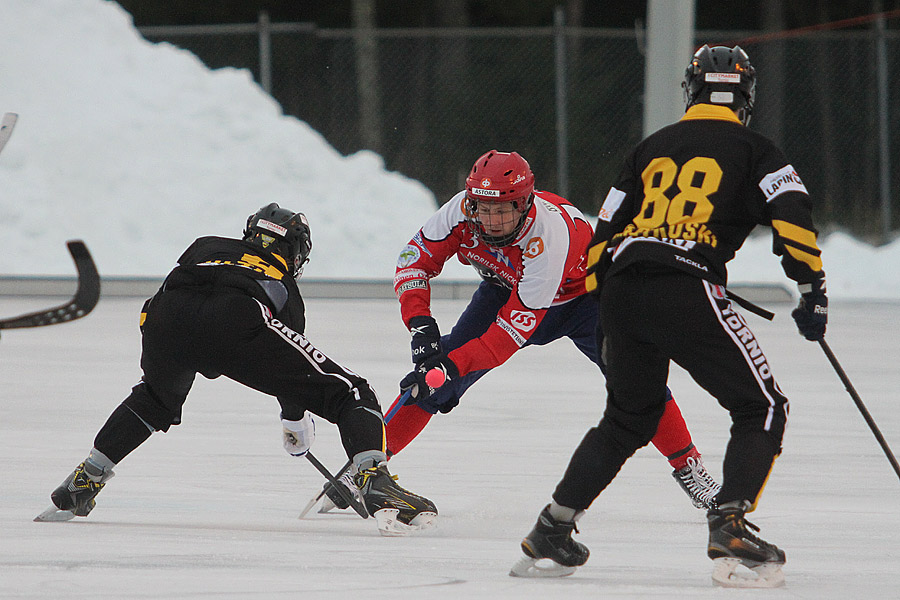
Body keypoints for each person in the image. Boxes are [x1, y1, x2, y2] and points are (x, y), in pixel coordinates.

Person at [513, 45, 828, 587]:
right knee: (763, 406)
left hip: (620, 288)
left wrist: (603, 300)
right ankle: (729, 521)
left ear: (693, 90)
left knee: (628, 419)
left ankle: (552, 527)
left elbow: (603, 230)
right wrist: (811, 289)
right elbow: (793, 217)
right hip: (685, 285)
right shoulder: (759, 149)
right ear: (745, 95)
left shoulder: (650, 147)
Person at [322, 149, 720, 514]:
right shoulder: (458, 212)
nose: (491, 222)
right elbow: (412, 263)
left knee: (637, 382)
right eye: (483, 210)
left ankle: (689, 466)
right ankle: (368, 465)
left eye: (503, 212)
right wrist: (421, 326)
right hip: (506, 286)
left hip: (587, 299)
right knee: (429, 382)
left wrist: (452, 363)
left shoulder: (549, 236)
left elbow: (501, 342)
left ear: (526, 204)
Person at [36, 203, 436, 536]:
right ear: (296, 251)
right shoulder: (285, 283)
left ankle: (84, 480)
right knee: (351, 392)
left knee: (154, 398)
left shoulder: (205, 244)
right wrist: (294, 425)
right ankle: (373, 481)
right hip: (235, 316)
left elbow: (185, 286)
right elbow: (292, 377)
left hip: (164, 314)